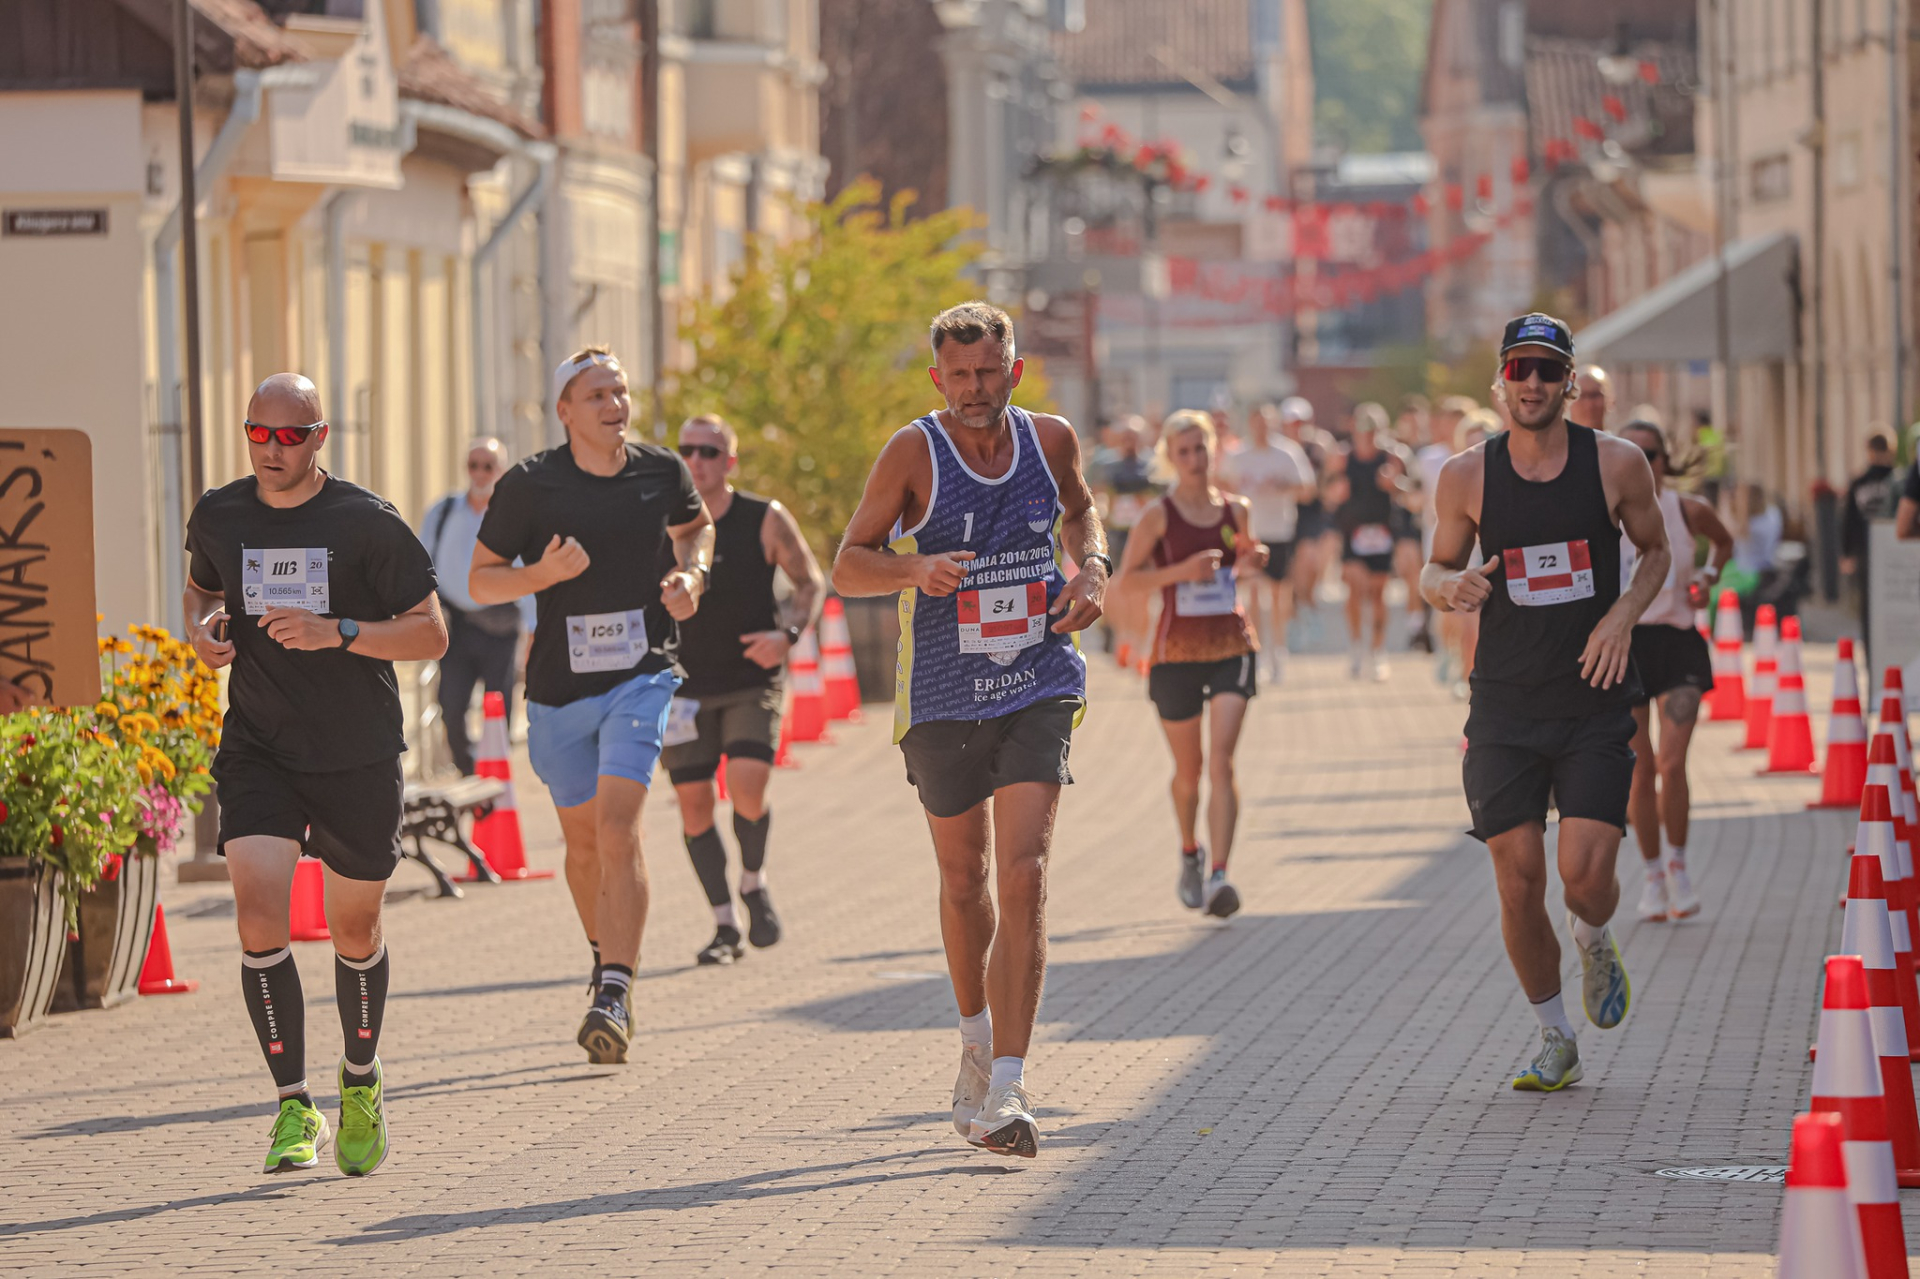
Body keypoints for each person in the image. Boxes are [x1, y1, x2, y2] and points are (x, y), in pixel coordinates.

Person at [833, 301, 1106, 1160]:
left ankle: (1012, 1085)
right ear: (937, 378)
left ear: (1014, 370)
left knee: (1025, 873)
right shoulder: (914, 451)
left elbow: (1082, 512)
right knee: (966, 879)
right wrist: (916, 566)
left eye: (988, 372)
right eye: (959, 376)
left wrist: (1093, 568)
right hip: (945, 691)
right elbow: (848, 563)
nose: (975, 389)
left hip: (1038, 677)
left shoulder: (1050, 439)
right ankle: (976, 1042)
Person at [184, 373, 448, 1175]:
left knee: (354, 929)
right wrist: (202, 631)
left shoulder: (367, 522)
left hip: (356, 750)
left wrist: (339, 631)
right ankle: (294, 1104)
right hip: (259, 746)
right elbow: (200, 588)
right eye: (257, 433)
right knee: (258, 914)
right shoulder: (221, 513)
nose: (271, 449)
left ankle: (359, 1080)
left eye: (289, 436)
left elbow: (430, 634)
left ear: (319, 437)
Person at [1422, 313, 1670, 1093]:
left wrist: (1621, 616)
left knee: (1583, 876)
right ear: (1501, 379)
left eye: (1548, 369)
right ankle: (1555, 1034)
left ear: (1569, 381)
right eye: (1519, 368)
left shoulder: (1617, 463)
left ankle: (1593, 935)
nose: (1532, 382)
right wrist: (1450, 586)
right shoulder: (1467, 475)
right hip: (1504, 705)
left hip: (1593, 699)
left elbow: (1657, 550)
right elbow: (1432, 569)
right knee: (1518, 875)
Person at [469, 346, 714, 1066]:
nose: (615, 405)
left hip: (643, 675)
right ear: (565, 411)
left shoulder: (659, 470)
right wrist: (542, 573)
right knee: (582, 846)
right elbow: (481, 581)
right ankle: (605, 958)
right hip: (557, 694)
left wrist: (693, 576)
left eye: (621, 391)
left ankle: (614, 990)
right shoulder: (529, 485)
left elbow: (696, 528)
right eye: (597, 395)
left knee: (617, 828)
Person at [661, 413, 824, 966]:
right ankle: (724, 923)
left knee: (747, 786)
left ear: (729, 461)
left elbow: (810, 582)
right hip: (682, 687)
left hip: (751, 679)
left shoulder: (763, 517)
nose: (696, 460)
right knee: (694, 806)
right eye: (687, 450)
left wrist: (788, 636)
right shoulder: (663, 522)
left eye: (709, 451)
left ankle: (753, 880)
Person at [1117, 411, 1264, 917]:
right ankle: (1189, 851)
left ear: (1213, 450)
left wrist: (1253, 561)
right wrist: (1181, 571)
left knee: (1222, 761)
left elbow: (1241, 565)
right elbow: (1127, 581)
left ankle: (1220, 874)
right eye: (1184, 452)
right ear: (1170, 458)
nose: (1195, 460)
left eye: (1201, 449)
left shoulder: (1237, 509)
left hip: (1231, 644)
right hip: (1175, 653)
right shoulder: (1158, 515)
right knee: (1190, 770)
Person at [1616, 421, 1733, 923]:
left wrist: (1708, 576)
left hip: (1679, 642)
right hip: (1628, 645)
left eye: (1652, 454)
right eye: (1633, 453)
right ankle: (1652, 877)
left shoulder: (1688, 510)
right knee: (1640, 770)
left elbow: (1723, 542)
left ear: (1665, 460)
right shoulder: (1605, 512)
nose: (1643, 462)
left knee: (1671, 762)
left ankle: (1680, 869)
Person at [419, 438, 532, 775]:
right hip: (456, 627)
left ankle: (495, 778)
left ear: (501, 471)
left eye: (488, 466)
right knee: (451, 706)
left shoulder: (515, 517)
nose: (480, 473)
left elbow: (528, 577)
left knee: (499, 710)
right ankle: (470, 772)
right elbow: (422, 566)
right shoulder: (442, 512)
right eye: (473, 465)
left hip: (502, 625)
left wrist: (533, 633)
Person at [1219, 403, 1313, 682]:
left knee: (1277, 594)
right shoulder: (1238, 454)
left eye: (1267, 422)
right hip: (1249, 533)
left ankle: (1278, 651)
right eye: (1257, 422)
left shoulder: (1287, 452)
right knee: (1253, 593)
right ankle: (1256, 652)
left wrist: (1281, 486)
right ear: (1250, 423)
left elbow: (1308, 489)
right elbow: (1221, 485)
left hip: (1279, 531)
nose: (1262, 428)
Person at [1331, 402, 1405, 680]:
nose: (1367, 435)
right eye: (1363, 429)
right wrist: (1336, 491)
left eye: (1373, 430)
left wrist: (1393, 484)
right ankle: (1355, 647)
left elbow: (1406, 493)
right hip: (1353, 532)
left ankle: (1377, 650)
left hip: (1382, 532)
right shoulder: (1343, 457)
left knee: (1377, 593)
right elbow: (1327, 492)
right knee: (1354, 588)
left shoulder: (1391, 457)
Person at [1089, 417, 1158, 668]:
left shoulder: (1152, 465)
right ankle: (1123, 638)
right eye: (1126, 437)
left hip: (1144, 534)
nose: (1130, 442)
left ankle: (1140, 646)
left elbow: (1161, 496)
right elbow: (1095, 493)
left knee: (1143, 592)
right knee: (1116, 588)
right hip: (1116, 534)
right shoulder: (1107, 465)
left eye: (1134, 437)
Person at [1842, 433, 1903, 633]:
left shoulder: (1859, 482)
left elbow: (1849, 519)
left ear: (1869, 451)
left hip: (1865, 547)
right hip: (1892, 548)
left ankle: (1871, 644)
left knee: (1867, 602)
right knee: (1892, 598)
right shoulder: (1899, 481)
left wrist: (1847, 552)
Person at [1278, 397, 1332, 618]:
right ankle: (1294, 611)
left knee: (1309, 560)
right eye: (1292, 423)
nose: (1297, 429)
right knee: (1289, 568)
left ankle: (1305, 602)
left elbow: (1327, 482)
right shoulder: (1279, 450)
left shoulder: (1318, 448)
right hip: (1283, 513)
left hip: (1311, 512)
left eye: (1300, 423)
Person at [1567, 364, 1611, 433]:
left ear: (1610, 400)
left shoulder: (1624, 439)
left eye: (1595, 395)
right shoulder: (1556, 439)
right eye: (1581, 396)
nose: (1589, 404)